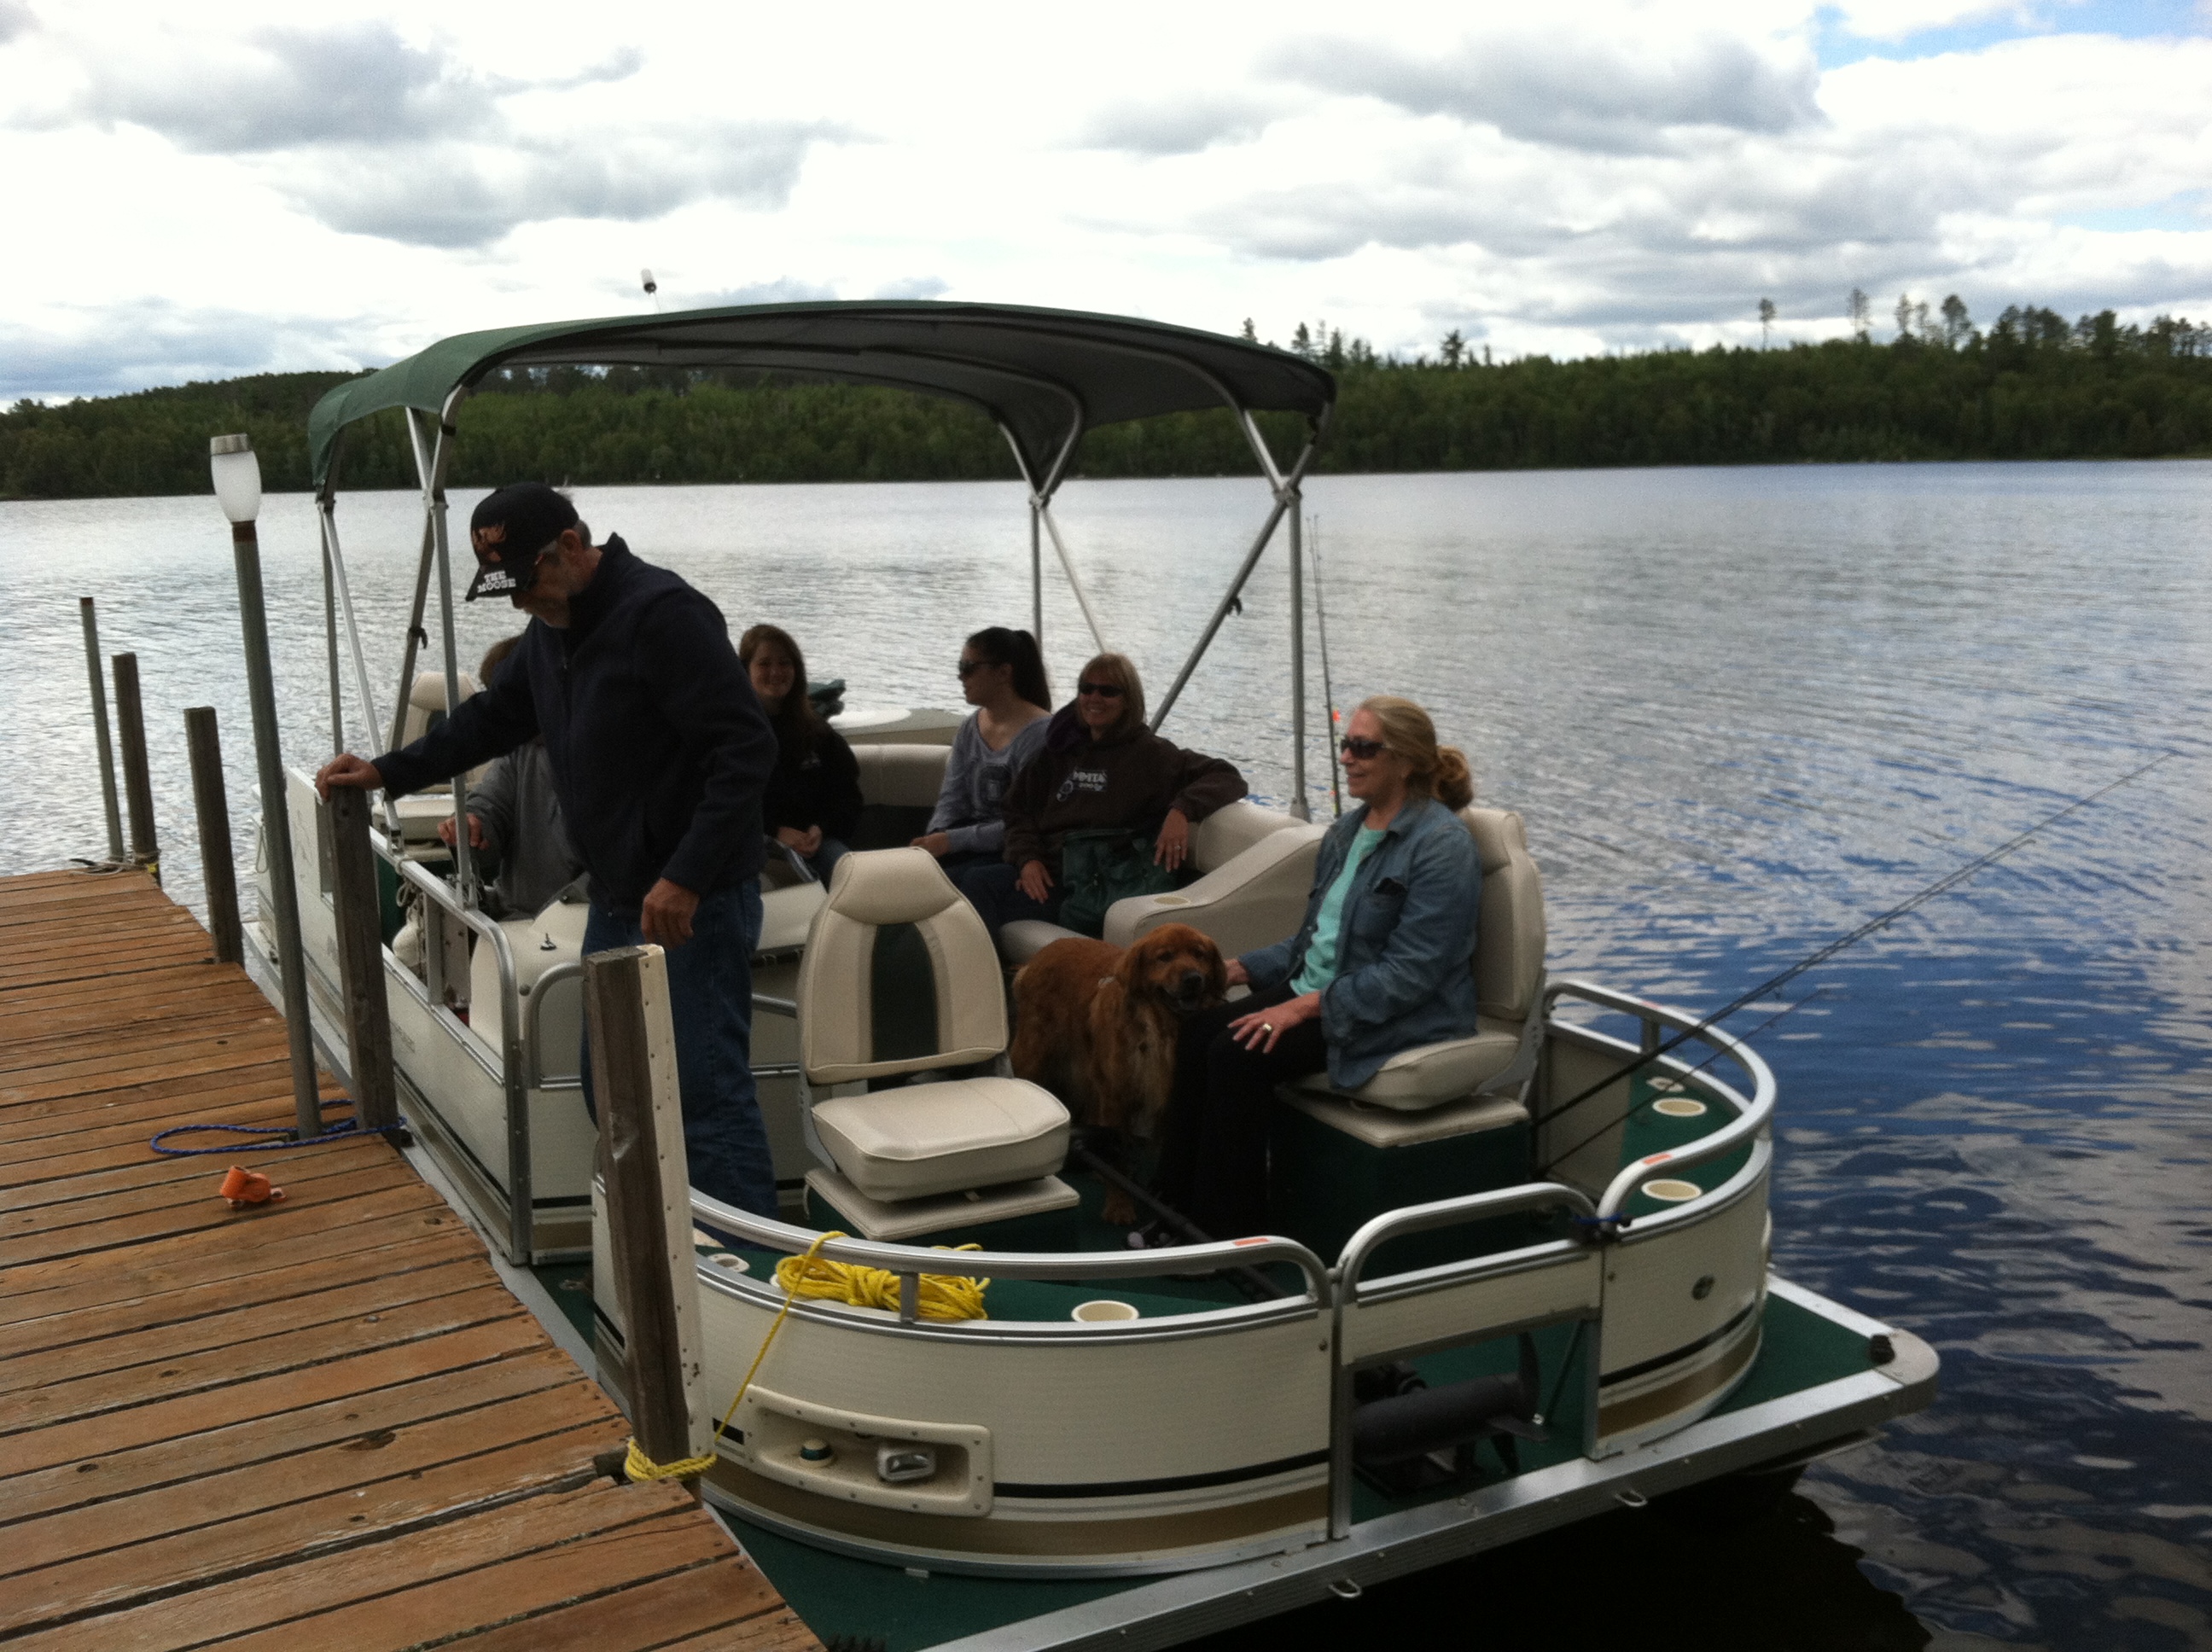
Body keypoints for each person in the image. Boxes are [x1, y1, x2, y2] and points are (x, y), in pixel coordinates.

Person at [316, 482, 782, 1218]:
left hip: (696, 902)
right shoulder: (552, 633)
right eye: (504, 590)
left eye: (525, 583)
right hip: (618, 897)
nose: (519, 603)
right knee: (612, 1084)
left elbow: (747, 751)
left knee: (704, 1092)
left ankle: (750, 1265)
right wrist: (385, 770)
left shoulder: (663, 616)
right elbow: (489, 722)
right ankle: (663, 1237)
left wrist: (687, 876)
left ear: (570, 546)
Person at [1147, 695, 1480, 1242]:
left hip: (1387, 1011)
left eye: (1363, 747)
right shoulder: (1348, 832)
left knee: (1236, 1054)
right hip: (1320, 994)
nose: (1347, 756)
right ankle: (1172, 1201)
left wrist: (1300, 1006)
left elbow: (1412, 975)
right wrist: (1237, 969)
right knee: (1198, 1032)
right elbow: (1315, 942)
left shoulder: (1442, 848)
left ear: (1405, 760)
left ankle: (1228, 1235)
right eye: (1346, 744)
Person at [960, 651, 1246, 945]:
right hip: (1047, 874)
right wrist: (1027, 859)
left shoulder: (1152, 755)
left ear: (1128, 700)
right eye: (1087, 688)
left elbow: (1226, 776)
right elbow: (1017, 808)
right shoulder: (1061, 752)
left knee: (976, 886)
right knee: (962, 880)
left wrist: (1181, 811)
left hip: (1097, 887)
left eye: (1108, 691)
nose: (1094, 698)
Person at [435, 634, 585, 919]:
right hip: (516, 917)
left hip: (579, 922)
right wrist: (472, 826)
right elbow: (491, 804)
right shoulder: (519, 751)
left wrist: (556, 914)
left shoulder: (612, 757)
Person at [912, 625, 1053, 880]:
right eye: (960, 667)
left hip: (1016, 851)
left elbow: (1029, 822)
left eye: (968, 667)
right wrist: (937, 836)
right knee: (909, 874)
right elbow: (951, 798)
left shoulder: (1040, 735)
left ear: (1003, 673)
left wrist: (952, 841)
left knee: (953, 883)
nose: (961, 677)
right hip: (968, 844)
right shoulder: (970, 728)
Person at [739, 624, 861, 884]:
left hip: (816, 842)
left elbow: (846, 794)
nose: (776, 672)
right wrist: (776, 830)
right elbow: (728, 800)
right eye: (764, 664)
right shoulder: (734, 734)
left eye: (785, 663)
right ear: (746, 670)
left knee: (851, 877)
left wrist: (821, 828)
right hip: (752, 844)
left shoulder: (817, 732)